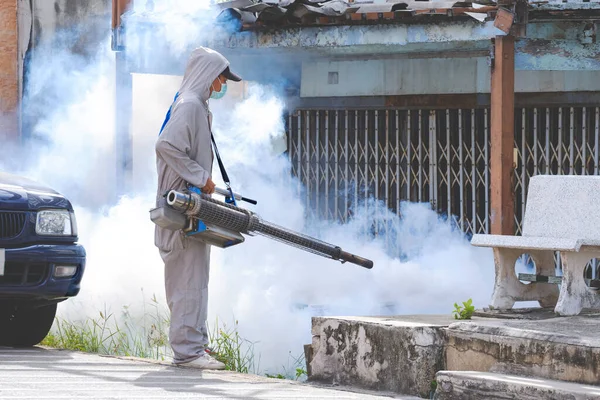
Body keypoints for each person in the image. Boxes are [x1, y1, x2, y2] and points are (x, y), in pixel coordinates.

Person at [154, 47, 242, 369]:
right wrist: (201, 177)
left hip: (191, 207)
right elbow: (166, 145)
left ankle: (195, 346)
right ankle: (187, 352)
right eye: (220, 78)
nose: (221, 86)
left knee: (196, 278)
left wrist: (203, 184)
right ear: (208, 74)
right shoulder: (189, 105)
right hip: (180, 208)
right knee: (187, 280)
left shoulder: (196, 106)